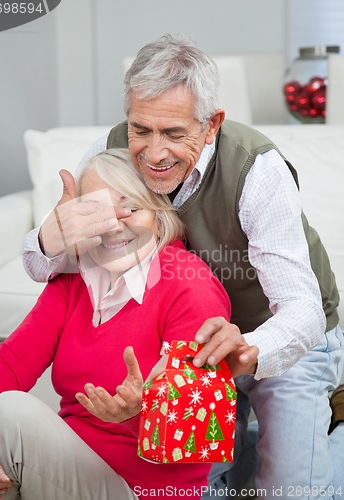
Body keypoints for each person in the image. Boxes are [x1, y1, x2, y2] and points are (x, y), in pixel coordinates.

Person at [21, 34, 344, 498]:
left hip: (282, 335)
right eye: (141, 129)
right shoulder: (107, 154)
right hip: (193, 346)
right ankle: (247, 452)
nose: (153, 154)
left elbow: (303, 312)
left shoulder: (257, 169)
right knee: (194, 487)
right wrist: (51, 236)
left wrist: (247, 351)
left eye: (174, 134)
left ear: (211, 124)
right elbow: (48, 266)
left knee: (291, 490)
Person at [0, 149, 231, 499]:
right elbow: (10, 362)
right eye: (96, 214)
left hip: (146, 491)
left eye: (131, 207)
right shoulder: (75, 278)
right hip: (66, 474)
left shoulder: (191, 287)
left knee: (8, 414)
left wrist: (136, 413)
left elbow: (196, 433)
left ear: (159, 215)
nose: (114, 226)